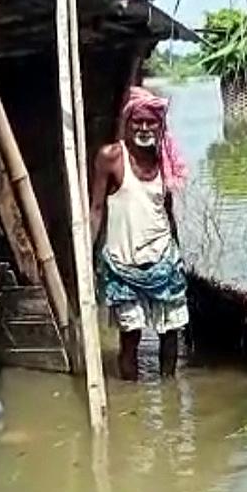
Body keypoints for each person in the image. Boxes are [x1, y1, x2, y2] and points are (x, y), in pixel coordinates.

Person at [90, 86, 190, 381]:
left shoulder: (164, 160)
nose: (144, 128)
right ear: (128, 122)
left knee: (170, 335)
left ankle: (170, 395)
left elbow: (167, 211)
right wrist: (86, 254)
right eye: (139, 121)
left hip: (163, 262)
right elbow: (96, 209)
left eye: (152, 123)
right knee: (130, 340)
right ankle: (131, 404)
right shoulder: (111, 157)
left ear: (160, 127)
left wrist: (178, 254)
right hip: (124, 265)